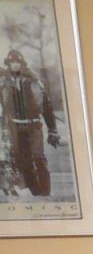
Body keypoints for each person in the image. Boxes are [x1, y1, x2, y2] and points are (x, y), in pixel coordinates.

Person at [0, 49, 60, 197]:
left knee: (39, 157)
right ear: (8, 64)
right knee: (24, 162)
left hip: (34, 125)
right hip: (15, 127)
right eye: (12, 62)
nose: (15, 64)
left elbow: (46, 106)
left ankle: (45, 193)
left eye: (17, 62)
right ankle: (37, 194)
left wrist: (52, 129)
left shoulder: (34, 81)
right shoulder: (3, 82)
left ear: (22, 63)